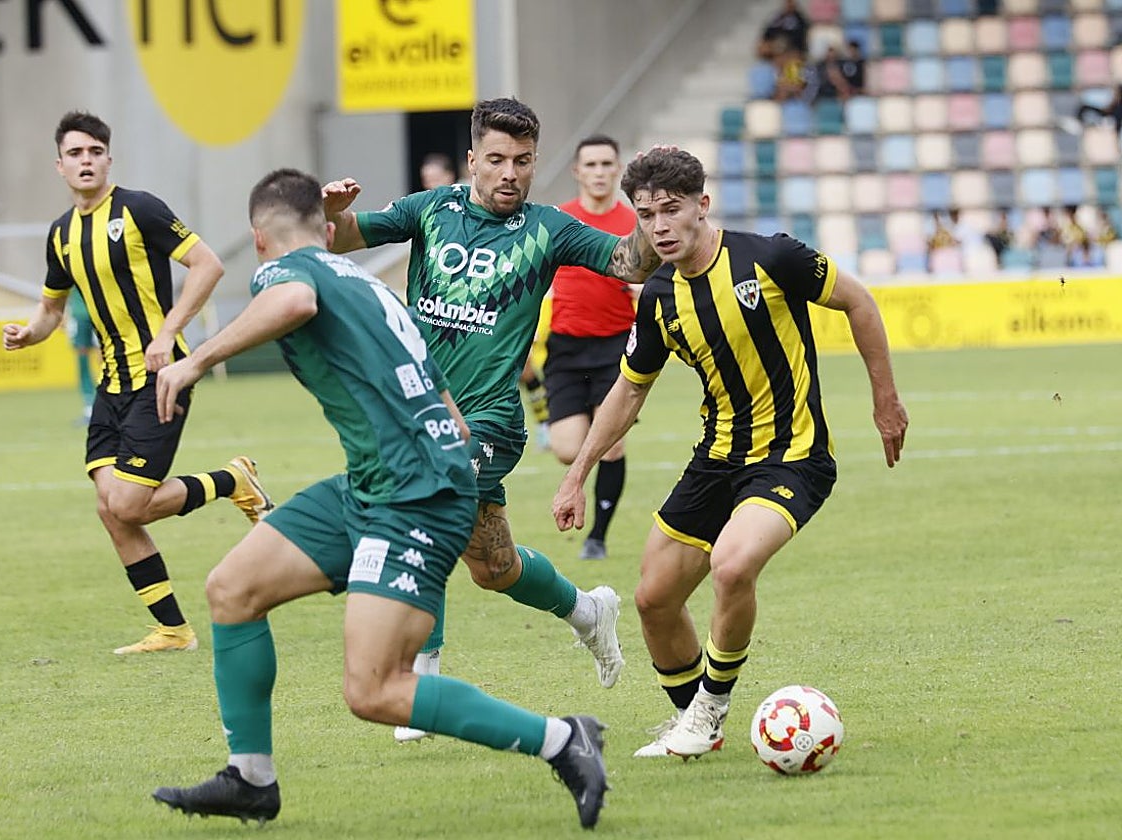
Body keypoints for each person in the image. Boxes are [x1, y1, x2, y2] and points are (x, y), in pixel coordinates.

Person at [150, 168, 608, 829]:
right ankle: (250, 777)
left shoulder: (285, 273)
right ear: (323, 225)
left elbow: (293, 305)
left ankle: (564, 739)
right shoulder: (367, 282)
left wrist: (192, 361)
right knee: (232, 589)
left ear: (261, 237)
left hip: (414, 494)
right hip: (378, 481)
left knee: (374, 689)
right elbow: (435, 385)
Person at [321, 97, 660, 741]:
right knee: (492, 565)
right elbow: (342, 237)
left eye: (524, 161)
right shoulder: (430, 210)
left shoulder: (550, 228)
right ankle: (587, 611)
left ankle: (420, 672)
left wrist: (646, 209)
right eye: (498, 160)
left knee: (424, 497)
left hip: (492, 419)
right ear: (473, 159)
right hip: (417, 412)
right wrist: (331, 213)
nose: (510, 173)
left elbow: (632, 263)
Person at [552, 147, 909, 759]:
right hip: (716, 459)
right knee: (653, 599)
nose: (659, 226)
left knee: (733, 566)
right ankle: (697, 722)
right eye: (646, 215)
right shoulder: (659, 295)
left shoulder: (769, 257)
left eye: (671, 210)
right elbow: (629, 389)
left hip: (794, 456)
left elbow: (860, 301)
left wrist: (885, 401)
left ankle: (709, 712)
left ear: (702, 205)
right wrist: (577, 473)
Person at [2, 111, 274, 655]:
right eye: (75, 154)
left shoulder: (139, 208)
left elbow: (208, 264)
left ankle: (231, 480)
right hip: (110, 384)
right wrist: (28, 334)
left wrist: (169, 331)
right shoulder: (62, 234)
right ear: (60, 166)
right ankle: (173, 629)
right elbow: (51, 310)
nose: (86, 161)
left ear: (108, 159)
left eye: (95, 152)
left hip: (162, 375)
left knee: (126, 504)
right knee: (111, 508)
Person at [545, 134, 640, 561]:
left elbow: (653, 284)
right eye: (592, 165)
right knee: (568, 449)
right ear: (577, 171)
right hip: (565, 349)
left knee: (612, 444)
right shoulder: (559, 220)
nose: (600, 172)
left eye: (607, 164)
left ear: (617, 169)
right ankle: (576, 474)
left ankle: (597, 537)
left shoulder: (635, 224)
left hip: (616, 350)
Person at [67, 286, 98, 423]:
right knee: (82, 359)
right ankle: (89, 405)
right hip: (79, 314)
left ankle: (110, 401)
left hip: (101, 313)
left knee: (108, 357)